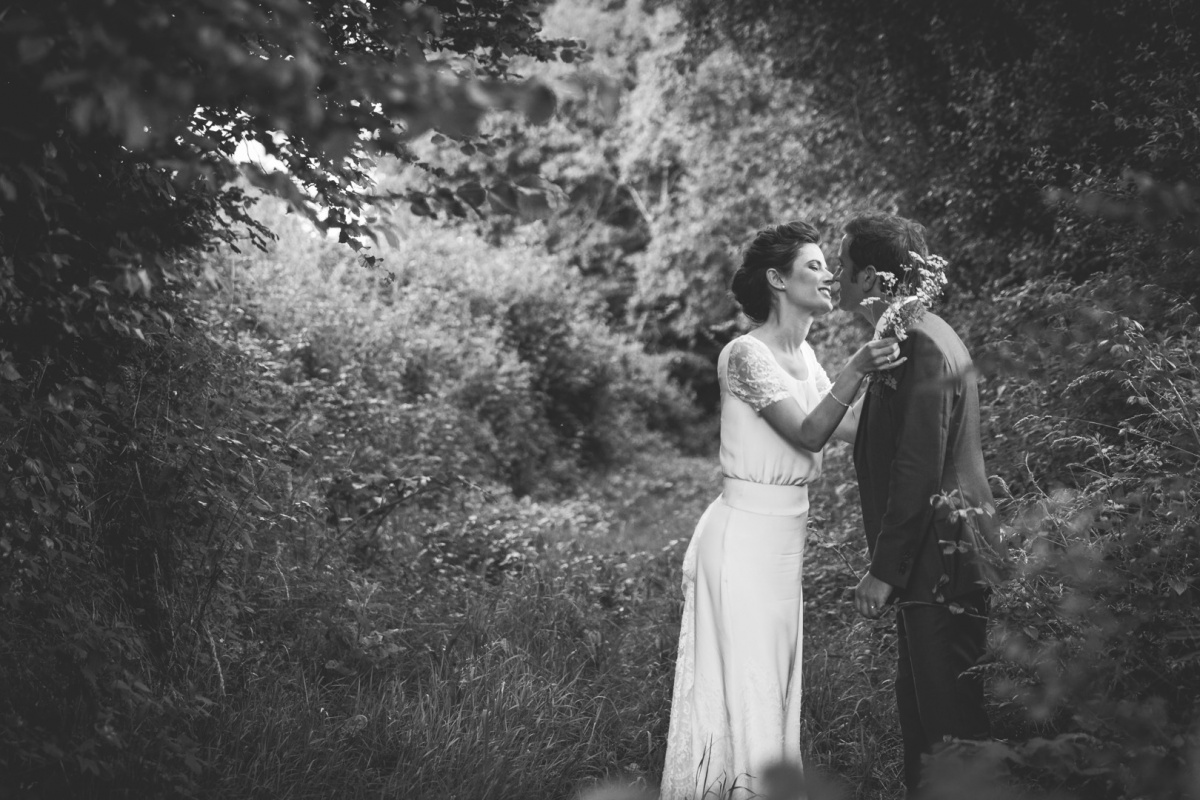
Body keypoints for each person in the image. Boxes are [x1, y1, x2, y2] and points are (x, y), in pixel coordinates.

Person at [660, 220, 904, 800]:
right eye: (815, 265)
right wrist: (859, 368)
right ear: (776, 278)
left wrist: (901, 380)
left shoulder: (807, 355)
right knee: (748, 679)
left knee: (772, 678)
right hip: (742, 537)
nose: (830, 275)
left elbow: (850, 427)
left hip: (784, 538)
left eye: (829, 265)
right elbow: (810, 432)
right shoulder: (744, 354)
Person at [834, 212, 1006, 797]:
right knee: (925, 725)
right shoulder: (909, 334)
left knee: (952, 729)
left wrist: (884, 569)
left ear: (875, 277)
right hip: (933, 563)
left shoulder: (922, 344)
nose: (836, 275)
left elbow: (918, 466)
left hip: (945, 562)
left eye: (844, 265)